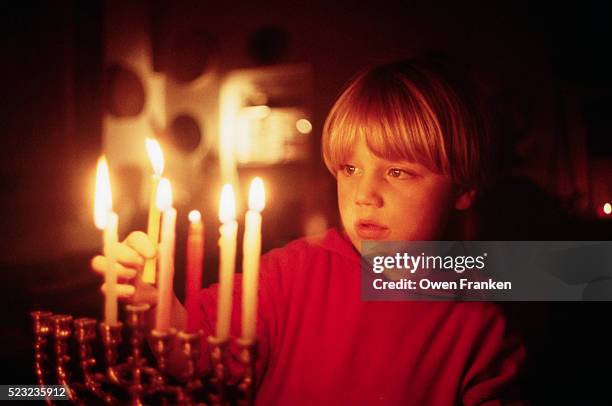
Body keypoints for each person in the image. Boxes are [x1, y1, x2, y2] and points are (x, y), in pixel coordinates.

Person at [92, 58, 526, 405]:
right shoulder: (289, 274)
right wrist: (156, 302)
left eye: (398, 171)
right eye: (350, 168)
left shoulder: (479, 322)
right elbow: (202, 357)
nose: (364, 195)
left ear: (463, 189)